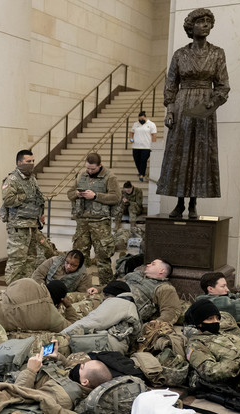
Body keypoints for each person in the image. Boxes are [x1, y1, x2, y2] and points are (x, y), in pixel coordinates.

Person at [158, 8, 229, 219]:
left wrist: (212, 103)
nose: (205, 25)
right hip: (182, 106)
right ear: (191, 26)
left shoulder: (217, 53)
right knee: (180, 153)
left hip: (205, 108)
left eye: (208, 21)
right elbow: (171, 83)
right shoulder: (180, 54)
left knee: (200, 154)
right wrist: (170, 109)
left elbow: (223, 85)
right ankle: (179, 202)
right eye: (200, 22)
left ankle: (193, 204)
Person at [0, 351, 113, 413]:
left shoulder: (61, 395)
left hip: (18, 381)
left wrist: (30, 371)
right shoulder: (77, 380)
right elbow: (68, 369)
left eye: (82, 367)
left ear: (85, 382)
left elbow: (18, 394)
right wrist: (58, 356)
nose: (79, 365)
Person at [67, 152, 120, 284]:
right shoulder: (81, 176)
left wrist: (96, 196)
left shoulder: (110, 177)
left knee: (103, 256)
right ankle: (78, 284)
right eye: (88, 168)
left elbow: (116, 197)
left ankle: (106, 287)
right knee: (78, 256)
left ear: (100, 166)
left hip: (100, 223)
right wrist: (77, 194)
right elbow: (69, 193)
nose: (90, 171)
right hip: (82, 222)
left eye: (93, 169)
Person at [1, 149, 45, 284]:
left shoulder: (32, 179)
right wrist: (25, 196)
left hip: (32, 224)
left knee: (31, 258)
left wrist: (40, 215)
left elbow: (38, 198)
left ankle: (25, 287)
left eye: (32, 161)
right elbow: (8, 200)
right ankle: (11, 291)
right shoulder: (12, 179)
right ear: (19, 162)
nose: (31, 164)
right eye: (28, 161)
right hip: (18, 226)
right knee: (17, 260)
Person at [61, 281, 142, 354]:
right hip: (116, 347)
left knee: (61, 345)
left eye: (106, 295)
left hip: (106, 346)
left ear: (114, 294)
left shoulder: (118, 303)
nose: (104, 298)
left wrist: (62, 334)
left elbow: (92, 322)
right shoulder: (130, 306)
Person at [185, 298, 240, 392]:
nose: (216, 321)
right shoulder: (196, 345)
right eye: (210, 319)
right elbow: (210, 372)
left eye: (217, 318)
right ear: (199, 323)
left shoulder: (224, 333)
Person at [121, 258, 182, 324]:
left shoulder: (164, 288)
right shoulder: (134, 274)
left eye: (153, 264)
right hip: (111, 300)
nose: (148, 265)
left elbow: (170, 310)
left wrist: (156, 323)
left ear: (161, 271)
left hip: (125, 314)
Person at [129, 111, 157, 181]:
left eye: (142, 119)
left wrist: (153, 145)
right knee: (137, 160)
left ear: (145, 117)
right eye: (139, 119)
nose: (141, 120)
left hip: (146, 147)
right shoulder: (135, 124)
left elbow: (154, 135)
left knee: (143, 160)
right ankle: (141, 172)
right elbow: (131, 133)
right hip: (136, 146)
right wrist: (131, 139)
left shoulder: (151, 124)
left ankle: (142, 174)